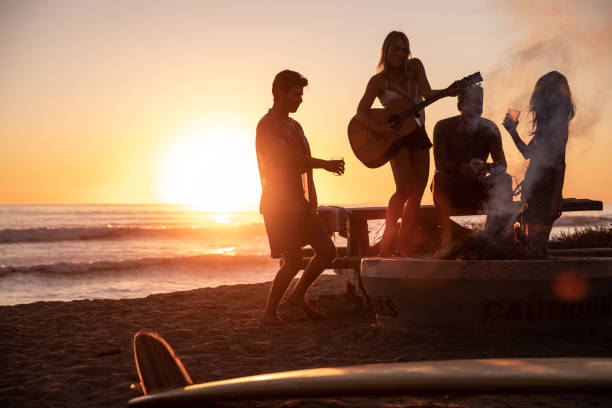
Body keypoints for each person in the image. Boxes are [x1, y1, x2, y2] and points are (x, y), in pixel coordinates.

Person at [256, 70, 345, 324]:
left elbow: (302, 167)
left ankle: (297, 296)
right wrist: (325, 164)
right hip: (278, 204)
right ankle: (269, 312)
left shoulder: (295, 126)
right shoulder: (267, 125)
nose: (300, 99)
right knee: (293, 261)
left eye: (301, 94)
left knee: (328, 251)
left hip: (301, 204)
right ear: (279, 93)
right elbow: (286, 160)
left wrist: (311, 200)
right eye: (296, 94)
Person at [356, 31, 455, 256]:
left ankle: (402, 246)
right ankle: (386, 243)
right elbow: (361, 113)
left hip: (418, 131)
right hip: (395, 136)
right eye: (395, 49)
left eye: (403, 49)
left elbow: (427, 93)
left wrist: (449, 91)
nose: (400, 53)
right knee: (403, 189)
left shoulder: (415, 68)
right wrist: (379, 128)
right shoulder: (378, 81)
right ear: (386, 51)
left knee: (418, 192)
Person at [503, 71, 575, 258]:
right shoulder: (547, 126)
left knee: (535, 246)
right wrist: (513, 132)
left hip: (545, 190)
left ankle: (541, 282)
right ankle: (541, 281)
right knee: (534, 246)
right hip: (534, 188)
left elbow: (560, 163)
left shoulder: (558, 125)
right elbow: (529, 154)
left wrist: (557, 197)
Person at [432, 84, 509, 258]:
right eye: (470, 102)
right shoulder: (443, 127)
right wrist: (461, 167)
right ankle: (447, 240)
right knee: (440, 177)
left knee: (504, 180)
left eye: (479, 103)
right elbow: (439, 163)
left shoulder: (490, 129)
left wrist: (486, 167)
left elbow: (502, 165)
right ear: (460, 104)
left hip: (478, 188)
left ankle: (488, 239)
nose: (475, 108)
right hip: (452, 190)